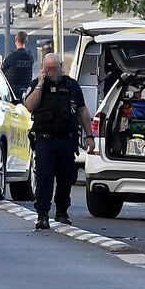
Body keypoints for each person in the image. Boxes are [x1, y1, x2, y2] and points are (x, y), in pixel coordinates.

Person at [23, 53, 95, 229]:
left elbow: (82, 110)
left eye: (56, 68)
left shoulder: (71, 86)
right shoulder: (38, 85)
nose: (54, 72)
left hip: (66, 141)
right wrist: (40, 85)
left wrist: (90, 136)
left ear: (61, 66)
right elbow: (29, 105)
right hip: (45, 141)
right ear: (44, 70)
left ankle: (62, 211)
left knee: (66, 178)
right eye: (49, 69)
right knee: (44, 179)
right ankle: (42, 214)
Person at [0, 31, 35, 97]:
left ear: (16, 40)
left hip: (12, 91)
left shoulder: (11, 56)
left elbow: (2, 71)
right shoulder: (30, 56)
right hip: (26, 91)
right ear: (26, 41)